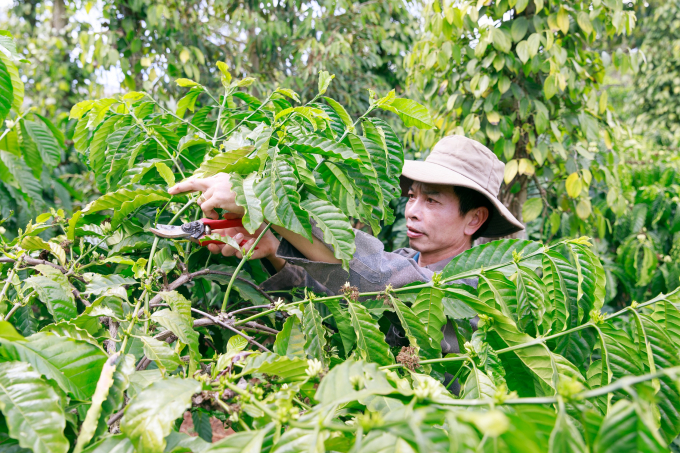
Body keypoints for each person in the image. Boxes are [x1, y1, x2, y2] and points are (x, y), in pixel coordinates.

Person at [168, 135, 524, 388]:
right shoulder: (407, 258)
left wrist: (265, 202)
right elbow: (341, 308)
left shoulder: (472, 287)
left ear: (474, 220)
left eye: (432, 201)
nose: (412, 211)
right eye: (412, 196)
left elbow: (380, 278)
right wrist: (272, 248)